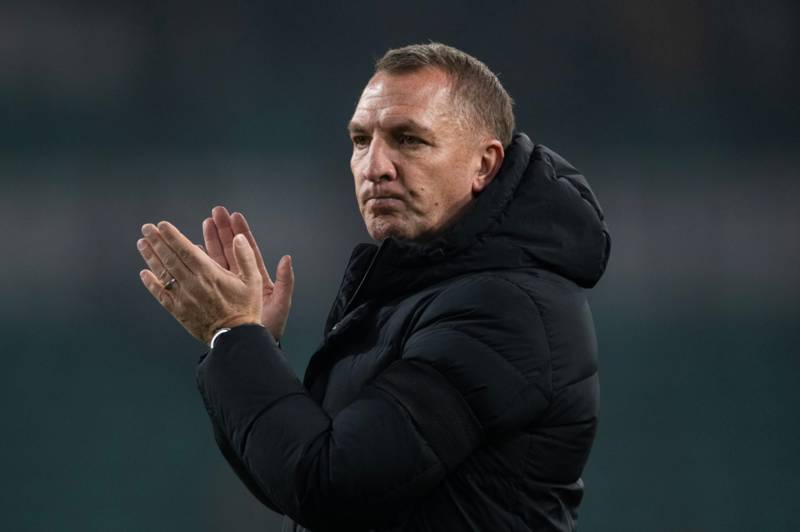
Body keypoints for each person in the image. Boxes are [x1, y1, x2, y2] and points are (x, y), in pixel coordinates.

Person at [136, 42, 611, 532]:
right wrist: (253, 343)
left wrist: (234, 334)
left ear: (484, 165)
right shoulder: (418, 293)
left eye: (408, 139)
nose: (374, 166)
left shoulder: (503, 310)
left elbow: (329, 485)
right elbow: (291, 482)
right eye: (361, 140)